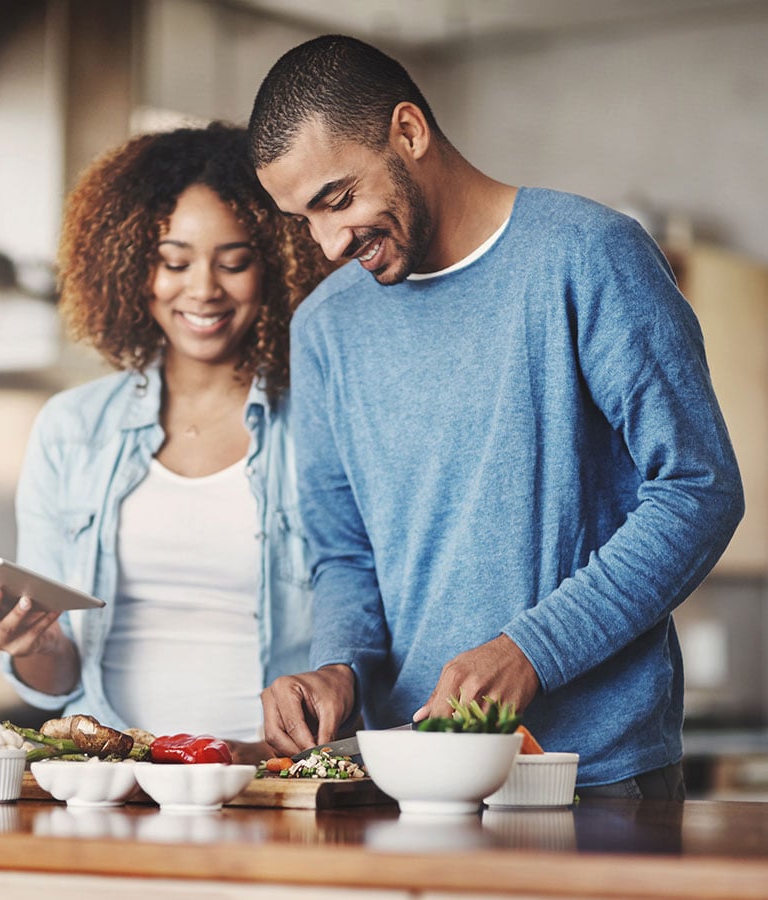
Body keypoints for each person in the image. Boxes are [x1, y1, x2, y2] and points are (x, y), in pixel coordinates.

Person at [247, 34, 744, 797]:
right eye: (301, 219)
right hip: (406, 774)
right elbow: (344, 554)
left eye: (337, 199)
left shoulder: (589, 256)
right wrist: (339, 666)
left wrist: (531, 650)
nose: (327, 243)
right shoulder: (323, 327)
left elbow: (698, 489)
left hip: (594, 777)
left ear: (408, 133)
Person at [0, 123, 331, 764]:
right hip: (112, 786)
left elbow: (361, 630)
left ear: (276, 264)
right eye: (174, 261)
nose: (204, 288)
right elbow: (58, 685)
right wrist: (32, 644)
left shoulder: (322, 423)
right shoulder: (72, 430)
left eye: (234, 260)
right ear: (132, 266)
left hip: (271, 780)